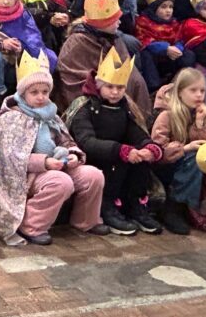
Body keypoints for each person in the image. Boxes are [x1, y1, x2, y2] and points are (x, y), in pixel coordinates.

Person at [0, 52, 104, 244]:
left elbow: (66, 141)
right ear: (23, 94)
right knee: (60, 182)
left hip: (57, 163)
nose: (41, 97)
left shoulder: (52, 116)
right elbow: (9, 157)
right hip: (28, 175)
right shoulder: (11, 118)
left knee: (93, 175)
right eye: (34, 92)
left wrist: (73, 154)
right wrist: (44, 162)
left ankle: (86, 220)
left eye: (44, 91)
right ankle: (31, 225)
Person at [67, 48, 163, 234]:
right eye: (110, 87)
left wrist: (149, 147)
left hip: (118, 154)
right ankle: (107, 205)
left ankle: (135, 205)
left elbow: (134, 131)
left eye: (120, 88)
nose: (115, 92)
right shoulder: (85, 106)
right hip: (94, 159)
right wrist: (120, 150)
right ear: (99, 85)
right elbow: (86, 142)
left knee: (140, 161)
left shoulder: (123, 107)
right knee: (116, 164)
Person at [150, 68, 206, 236]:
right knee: (194, 157)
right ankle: (174, 207)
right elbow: (158, 151)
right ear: (180, 92)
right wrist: (185, 148)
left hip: (189, 165)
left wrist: (199, 124)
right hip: (167, 166)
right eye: (193, 90)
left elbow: (205, 144)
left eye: (202, 91)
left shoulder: (202, 114)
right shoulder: (167, 115)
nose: (199, 95)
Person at [56, 0, 151, 114]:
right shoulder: (77, 42)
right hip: (96, 92)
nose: (119, 23)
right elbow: (71, 73)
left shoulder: (115, 39)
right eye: (115, 20)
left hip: (117, 85)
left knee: (136, 80)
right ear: (103, 23)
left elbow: (125, 65)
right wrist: (104, 82)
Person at [135, 0, 195, 89]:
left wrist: (177, 48)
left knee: (188, 55)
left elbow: (180, 39)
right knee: (145, 54)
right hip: (155, 59)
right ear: (154, 8)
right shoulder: (143, 21)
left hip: (170, 58)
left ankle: (179, 83)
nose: (168, 10)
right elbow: (143, 41)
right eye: (163, 7)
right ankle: (154, 87)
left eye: (170, 7)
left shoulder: (174, 23)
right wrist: (165, 48)